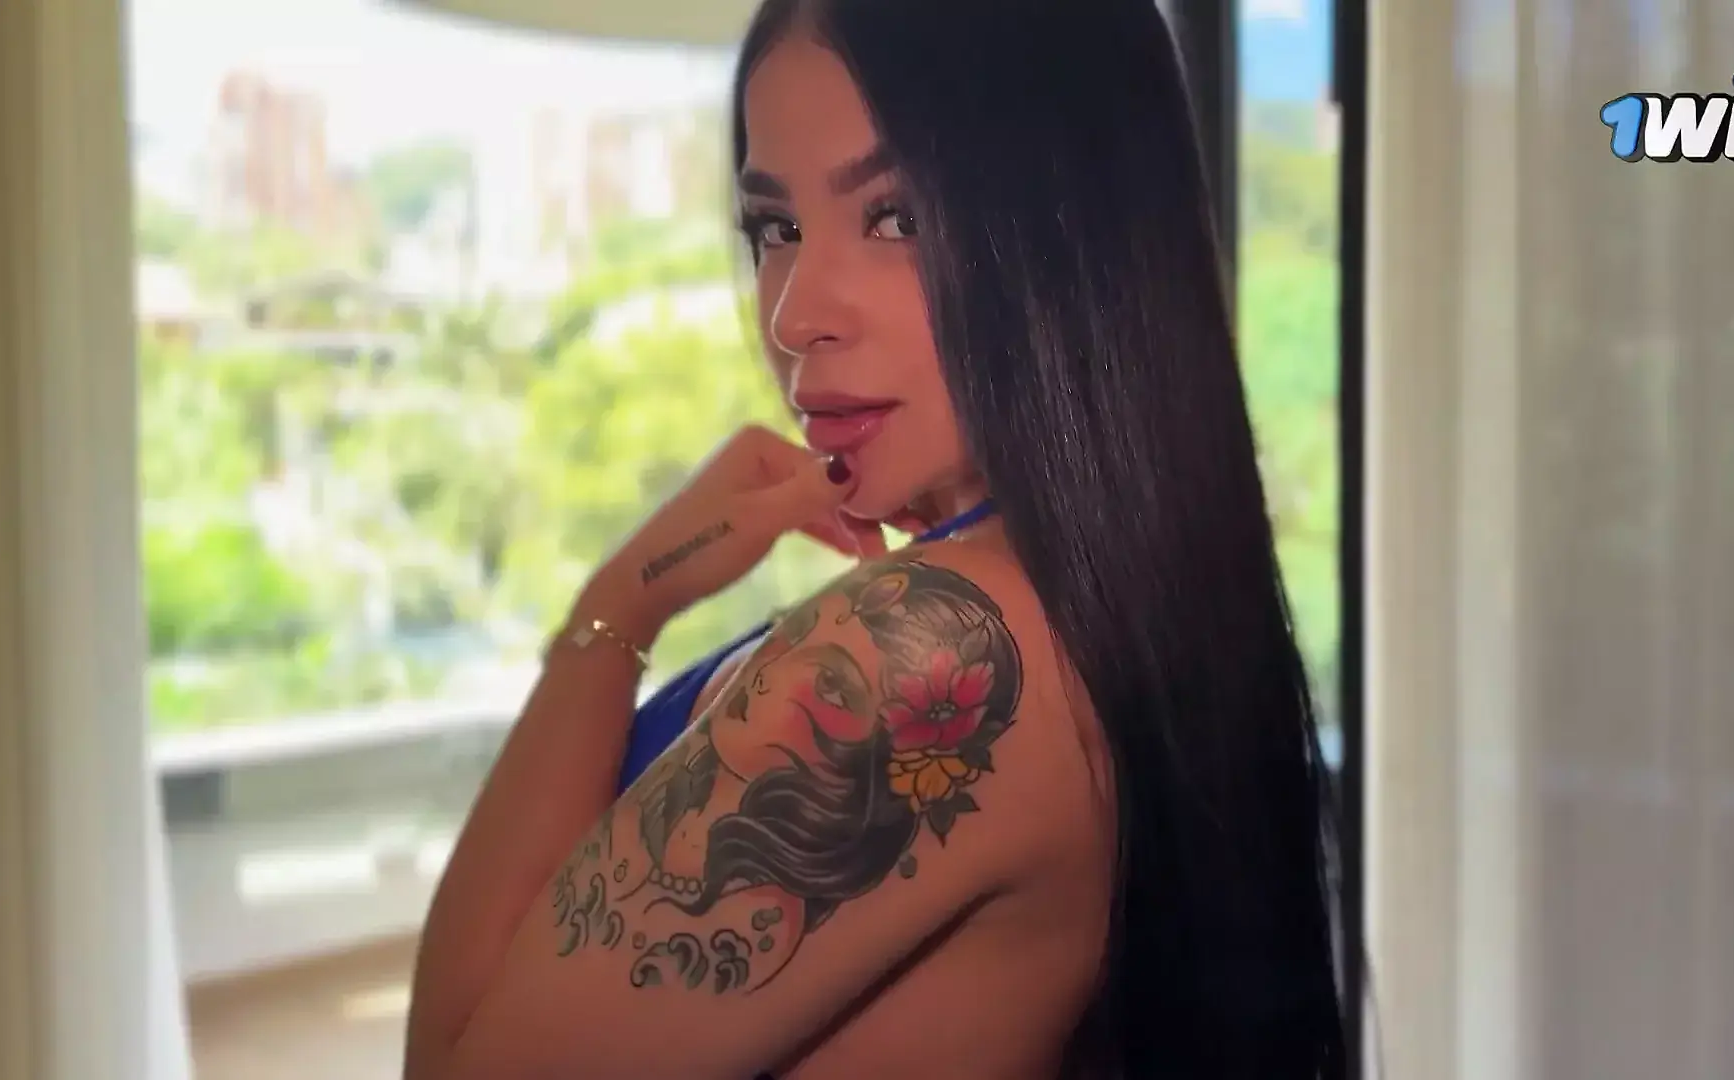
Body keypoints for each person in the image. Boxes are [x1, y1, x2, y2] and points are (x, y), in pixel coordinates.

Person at [402, 0, 1345, 1077]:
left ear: (1072, 235)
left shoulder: (934, 647)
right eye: (776, 229)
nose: (796, 313)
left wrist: (616, 611)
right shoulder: (1090, 598)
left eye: (896, 218)